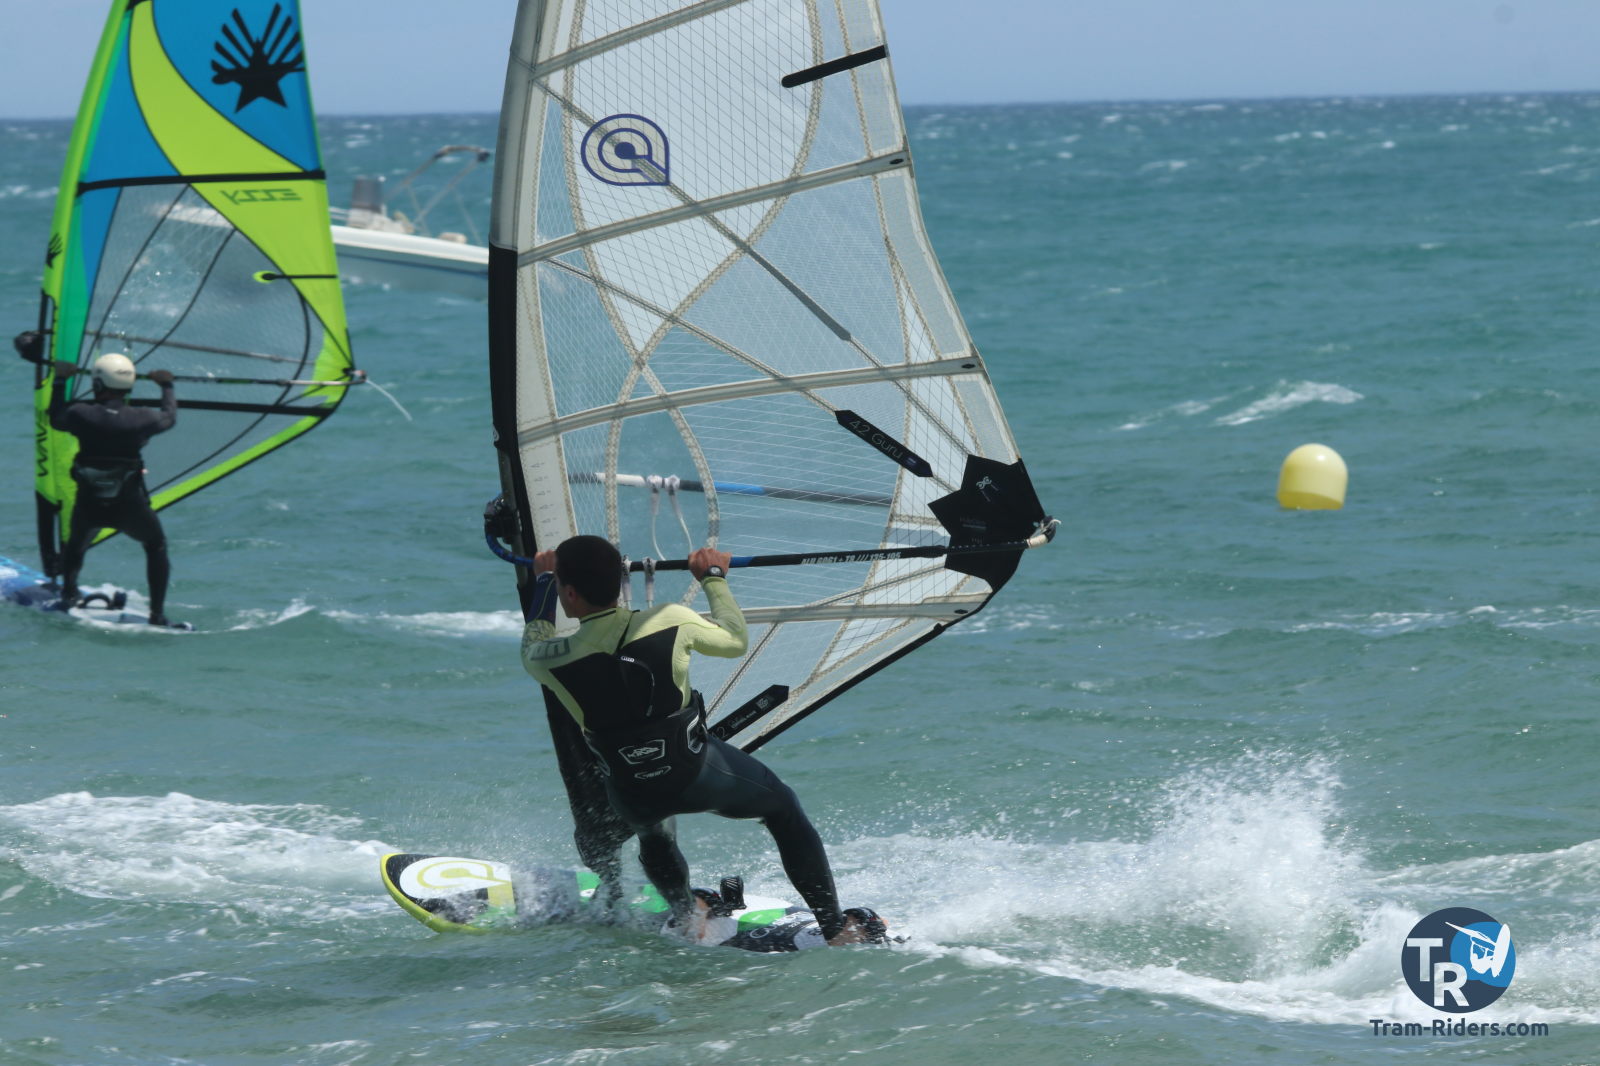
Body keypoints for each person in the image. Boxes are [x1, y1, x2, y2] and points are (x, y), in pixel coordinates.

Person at [520, 534, 885, 946]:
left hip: (632, 791)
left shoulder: (547, 659)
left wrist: (544, 580)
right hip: (697, 773)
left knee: (653, 833)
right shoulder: (671, 620)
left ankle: (687, 917)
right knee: (783, 808)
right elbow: (734, 640)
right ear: (620, 581)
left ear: (570, 593)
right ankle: (835, 928)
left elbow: (536, 632)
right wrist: (712, 576)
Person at [47, 352, 179, 626]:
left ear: (97, 385)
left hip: (90, 506)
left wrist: (60, 378)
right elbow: (169, 417)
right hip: (130, 508)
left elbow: (55, 418)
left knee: (75, 546)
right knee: (155, 545)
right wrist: (166, 385)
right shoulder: (143, 418)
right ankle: (157, 614)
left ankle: (69, 594)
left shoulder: (81, 414)